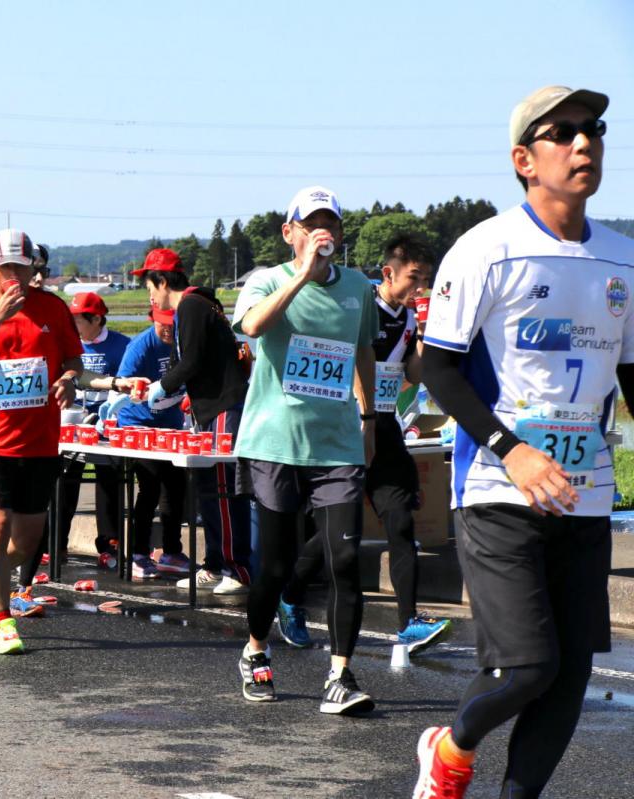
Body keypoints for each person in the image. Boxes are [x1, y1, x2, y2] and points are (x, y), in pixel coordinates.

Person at [412, 85, 632, 799]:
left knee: (569, 675)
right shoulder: (486, 249)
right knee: (527, 667)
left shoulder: (623, 259)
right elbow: (436, 366)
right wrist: (512, 448)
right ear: (523, 158)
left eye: (593, 129)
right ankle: (449, 745)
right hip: (497, 486)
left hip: (586, 492)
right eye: (562, 131)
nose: (583, 143)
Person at [231, 186, 379, 715]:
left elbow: (364, 349)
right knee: (273, 565)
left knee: (343, 558)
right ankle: (254, 650)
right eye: (310, 224)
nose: (323, 233)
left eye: (330, 225)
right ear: (289, 232)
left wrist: (369, 417)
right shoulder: (267, 280)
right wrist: (301, 277)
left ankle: (339, 674)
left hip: (336, 442)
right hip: (275, 440)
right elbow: (251, 327)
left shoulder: (359, 287)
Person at [0, 228, 132, 654]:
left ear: (34, 265)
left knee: (28, 539)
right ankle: (3, 622)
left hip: (39, 438)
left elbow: (72, 358)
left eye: (21, 265)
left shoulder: (51, 307)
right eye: (5, 266)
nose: (13, 274)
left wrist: (70, 378)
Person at [278, 235, 452, 654]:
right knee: (338, 532)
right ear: (389, 272)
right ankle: (289, 596)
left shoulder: (409, 318)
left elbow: (411, 374)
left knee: (401, 522)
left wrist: (427, 335)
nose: (420, 288)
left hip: (387, 425)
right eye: (415, 278)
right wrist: (365, 417)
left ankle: (409, 622)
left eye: (426, 280)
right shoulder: (362, 306)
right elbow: (356, 362)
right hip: (352, 425)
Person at [138, 247, 253, 595]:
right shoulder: (200, 304)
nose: (152, 296)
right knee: (207, 490)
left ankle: (239, 567)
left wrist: (162, 387)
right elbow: (198, 362)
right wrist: (174, 391)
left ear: (161, 281)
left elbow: (191, 362)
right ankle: (216, 564)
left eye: (150, 288)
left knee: (222, 490)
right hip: (210, 406)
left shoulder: (190, 305)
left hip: (222, 407)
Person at [114, 306, 191, 579]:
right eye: (163, 325)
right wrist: (138, 388)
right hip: (137, 424)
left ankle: (171, 551)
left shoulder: (184, 344)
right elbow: (123, 381)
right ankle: (138, 553)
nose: (168, 330)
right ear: (153, 321)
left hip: (169, 424)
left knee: (176, 485)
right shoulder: (141, 345)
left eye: (173, 325)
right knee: (149, 486)